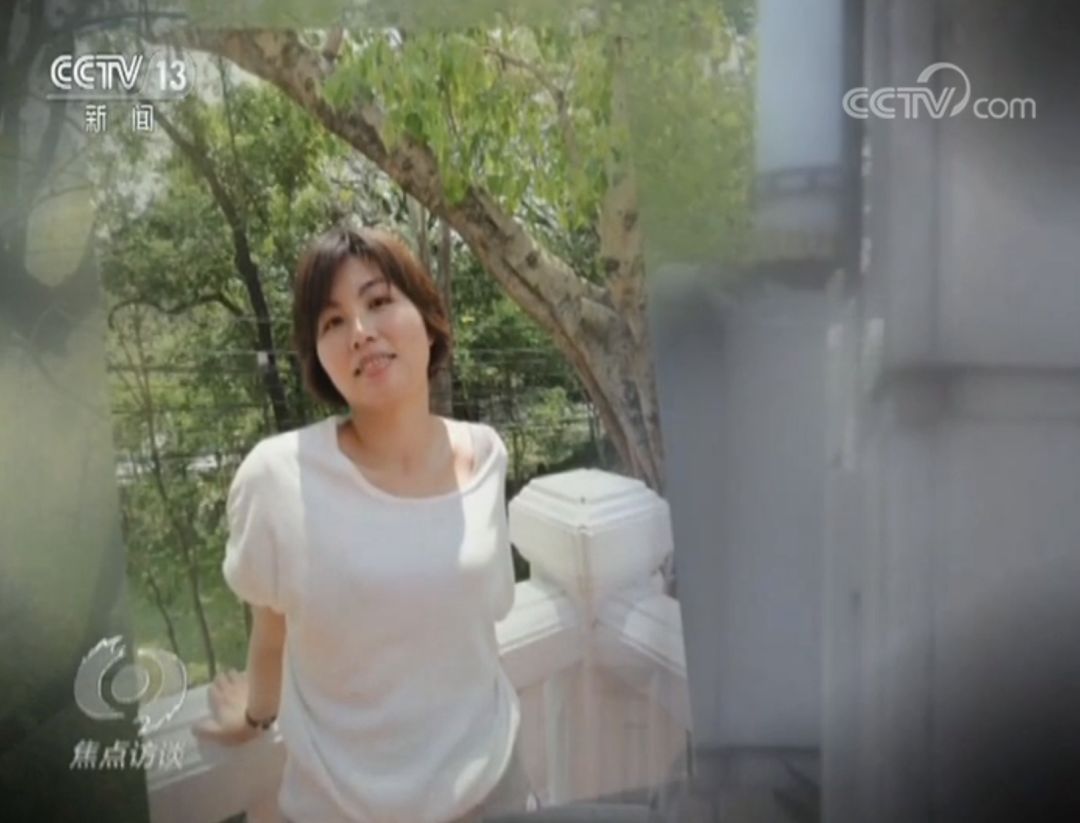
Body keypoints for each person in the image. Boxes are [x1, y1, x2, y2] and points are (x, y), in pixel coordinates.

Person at [192, 224, 537, 823]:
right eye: (332, 321)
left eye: (378, 301)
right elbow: (271, 634)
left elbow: (475, 622)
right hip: (342, 809)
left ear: (428, 320)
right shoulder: (278, 478)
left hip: (494, 787)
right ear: (319, 358)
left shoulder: (485, 454)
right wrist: (254, 714)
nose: (359, 331)